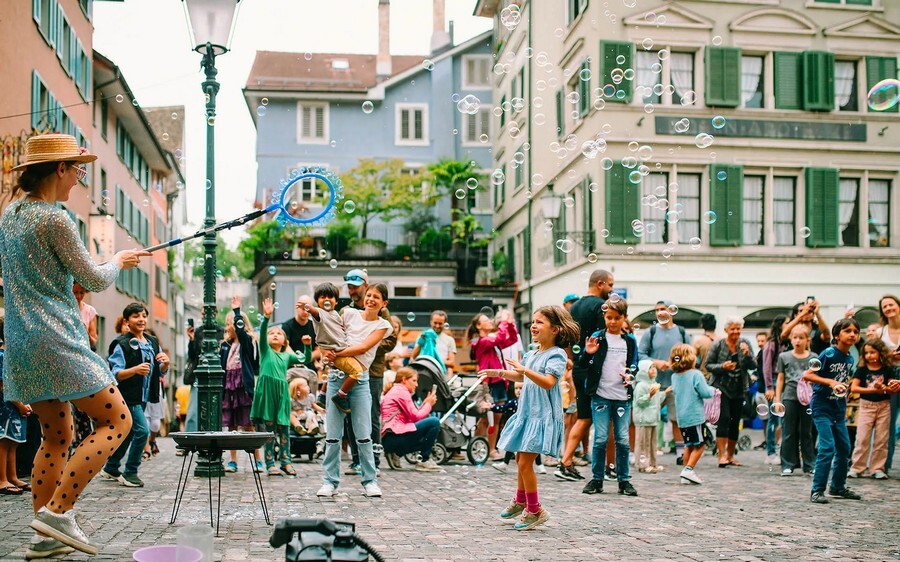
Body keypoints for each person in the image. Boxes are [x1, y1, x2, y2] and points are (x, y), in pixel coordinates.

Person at [0, 132, 150, 557]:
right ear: (60, 168)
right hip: (57, 337)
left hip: (22, 341)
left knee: (56, 435)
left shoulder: (11, 215)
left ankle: (43, 539)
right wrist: (119, 260)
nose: (81, 176)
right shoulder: (55, 218)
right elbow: (95, 278)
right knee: (117, 420)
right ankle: (58, 513)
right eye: (78, 168)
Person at [481, 305, 578, 531]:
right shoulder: (532, 353)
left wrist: (524, 371)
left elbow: (547, 382)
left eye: (540, 322)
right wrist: (500, 373)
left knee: (525, 462)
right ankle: (521, 500)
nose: (534, 325)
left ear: (555, 329)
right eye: (533, 321)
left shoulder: (557, 354)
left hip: (542, 416)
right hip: (527, 413)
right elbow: (520, 375)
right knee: (519, 459)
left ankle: (534, 510)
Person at [318, 283, 393, 498]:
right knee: (332, 434)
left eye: (376, 297)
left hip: (360, 380)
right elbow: (332, 332)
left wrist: (336, 354)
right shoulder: (349, 313)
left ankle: (370, 481)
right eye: (368, 295)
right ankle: (329, 481)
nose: (370, 299)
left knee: (364, 434)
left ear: (383, 303)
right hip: (336, 377)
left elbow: (363, 348)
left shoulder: (383, 325)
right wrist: (328, 352)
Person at [100, 303, 169, 488]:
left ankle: (112, 467)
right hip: (127, 396)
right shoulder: (121, 344)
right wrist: (135, 370)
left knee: (130, 432)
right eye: (136, 316)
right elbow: (115, 374)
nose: (141, 320)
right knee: (142, 431)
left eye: (144, 316)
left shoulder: (153, 342)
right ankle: (130, 472)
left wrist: (166, 363)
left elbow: (161, 371)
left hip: (146, 395)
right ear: (126, 321)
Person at [555, 269, 614, 481]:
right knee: (604, 417)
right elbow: (603, 339)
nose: (612, 289)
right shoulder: (600, 307)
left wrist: (571, 360)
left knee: (584, 417)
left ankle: (566, 461)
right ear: (600, 284)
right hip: (596, 369)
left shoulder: (575, 306)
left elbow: (567, 340)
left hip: (579, 367)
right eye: (610, 285)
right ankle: (610, 467)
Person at [577, 298, 638, 497]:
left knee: (623, 440)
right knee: (600, 439)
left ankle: (624, 480)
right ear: (604, 316)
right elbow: (583, 363)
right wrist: (587, 353)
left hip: (622, 396)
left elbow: (634, 365)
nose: (612, 322)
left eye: (617, 318)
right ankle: (597, 479)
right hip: (600, 395)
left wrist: (631, 376)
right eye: (609, 317)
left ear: (624, 318)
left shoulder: (629, 340)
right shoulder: (597, 337)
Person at [342, 269, 397, 475]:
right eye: (349, 286)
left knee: (371, 415)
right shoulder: (347, 311)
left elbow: (391, 341)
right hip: (348, 369)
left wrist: (368, 344)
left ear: (365, 285)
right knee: (349, 414)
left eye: (356, 286)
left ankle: (373, 460)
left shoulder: (381, 311)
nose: (352, 290)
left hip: (372, 370)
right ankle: (356, 460)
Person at [804, 317, 863, 504]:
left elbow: (841, 380)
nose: (852, 334)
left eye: (855, 331)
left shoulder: (850, 357)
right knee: (827, 447)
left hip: (838, 408)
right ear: (837, 335)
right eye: (847, 331)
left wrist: (845, 386)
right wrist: (830, 382)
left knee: (845, 447)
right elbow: (808, 374)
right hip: (821, 406)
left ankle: (837, 486)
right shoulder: (828, 353)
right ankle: (817, 490)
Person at [250, 298, 302, 477]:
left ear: (285, 341)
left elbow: (304, 359)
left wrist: (309, 345)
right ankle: (270, 462)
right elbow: (263, 330)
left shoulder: (287, 356)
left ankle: (286, 462)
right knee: (269, 431)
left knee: (284, 428)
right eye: (271, 333)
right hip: (267, 393)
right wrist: (266, 318)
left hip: (281, 395)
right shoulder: (265, 351)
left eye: (279, 333)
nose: (274, 334)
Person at [638, 300, 691, 462]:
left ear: (671, 311)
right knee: (649, 418)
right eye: (657, 310)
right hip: (654, 384)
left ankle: (680, 454)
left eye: (663, 309)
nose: (660, 312)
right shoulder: (651, 332)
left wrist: (678, 365)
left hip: (676, 383)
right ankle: (645, 452)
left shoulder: (681, 332)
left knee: (677, 419)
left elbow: (690, 355)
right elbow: (640, 354)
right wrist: (656, 362)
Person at [466, 308, 520, 460]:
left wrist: (510, 325)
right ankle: (477, 447)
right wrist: (503, 320)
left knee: (497, 417)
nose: (490, 321)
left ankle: (491, 449)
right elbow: (499, 339)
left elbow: (512, 340)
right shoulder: (481, 342)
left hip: (499, 382)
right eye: (486, 320)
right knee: (484, 418)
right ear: (478, 326)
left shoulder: (491, 341)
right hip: (488, 383)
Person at [306, 283, 367, 413]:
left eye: (330, 297)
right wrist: (309, 308)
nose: (327, 300)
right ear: (317, 301)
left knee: (335, 371)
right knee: (357, 372)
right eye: (323, 297)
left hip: (338, 350)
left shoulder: (335, 314)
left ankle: (322, 395)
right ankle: (341, 396)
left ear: (336, 301)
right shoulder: (321, 313)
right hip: (336, 352)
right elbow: (316, 313)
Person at [706, 316, 756, 467]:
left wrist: (747, 355)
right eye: (732, 329)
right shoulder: (718, 344)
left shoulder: (745, 344)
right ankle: (721, 455)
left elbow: (753, 365)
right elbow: (708, 365)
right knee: (724, 418)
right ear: (726, 330)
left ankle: (730, 455)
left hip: (739, 388)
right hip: (721, 387)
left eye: (738, 329)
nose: (735, 332)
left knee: (735, 421)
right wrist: (723, 367)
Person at [221, 296, 262, 474]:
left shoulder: (247, 342)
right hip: (229, 386)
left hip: (243, 385)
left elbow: (242, 334)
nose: (228, 327)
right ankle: (233, 461)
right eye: (228, 323)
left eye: (232, 323)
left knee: (248, 424)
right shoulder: (225, 345)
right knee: (231, 425)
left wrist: (237, 311)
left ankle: (258, 460)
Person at [848, 338, 896, 479]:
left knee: (881, 438)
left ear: (880, 353)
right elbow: (855, 388)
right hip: (866, 406)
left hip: (884, 406)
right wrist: (873, 390)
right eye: (867, 353)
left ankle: (877, 468)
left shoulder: (887, 369)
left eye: (873, 352)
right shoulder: (862, 369)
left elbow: (891, 390)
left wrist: (884, 389)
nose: (869, 355)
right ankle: (857, 467)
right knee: (862, 437)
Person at [669, 344, 715, 484]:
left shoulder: (674, 376)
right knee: (701, 444)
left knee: (688, 444)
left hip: (682, 418)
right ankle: (688, 470)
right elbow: (705, 393)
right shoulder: (696, 374)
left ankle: (685, 475)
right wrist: (713, 390)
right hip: (695, 417)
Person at [381, 367, 441, 472]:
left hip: (391, 438)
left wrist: (424, 404)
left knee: (428, 433)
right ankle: (424, 460)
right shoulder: (401, 391)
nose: (416, 384)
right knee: (434, 422)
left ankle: (396, 453)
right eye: (414, 380)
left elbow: (413, 417)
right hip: (393, 438)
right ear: (404, 380)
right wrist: (428, 405)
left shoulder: (397, 390)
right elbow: (415, 417)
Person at [775, 325, 816, 476]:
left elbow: (817, 378)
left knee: (807, 432)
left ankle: (809, 464)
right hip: (790, 397)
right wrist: (778, 399)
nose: (798, 341)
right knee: (788, 432)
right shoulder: (784, 357)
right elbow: (780, 379)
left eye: (801, 338)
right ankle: (787, 464)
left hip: (807, 398)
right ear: (791, 339)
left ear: (807, 340)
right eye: (795, 337)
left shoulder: (814, 357)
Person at [0, 321, 34, 496]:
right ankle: (1, 479)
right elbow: (3, 385)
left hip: (14, 405)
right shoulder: (2, 355)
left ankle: (12, 476)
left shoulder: (12, 356)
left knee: (12, 442)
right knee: (3, 442)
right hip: (6, 406)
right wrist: (19, 404)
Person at [491, 383, 545, 474]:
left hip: (528, 428)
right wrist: (491, 407)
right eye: (516, 388)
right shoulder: (514, 401)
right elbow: (503, 408)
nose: (518, 391)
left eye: (521, 388)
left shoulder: (531, 402)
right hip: (517, 428)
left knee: (533, 445)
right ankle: (505, 463)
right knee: (511, 443)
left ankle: (539, 464)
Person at [876, 295, 900, 474]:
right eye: (885, 306)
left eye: (891, 304)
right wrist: (889, 357)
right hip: (889, 377)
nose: (888, 308)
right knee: (887, 423)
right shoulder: (880, 332)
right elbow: (874, 356)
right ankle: (884, 464)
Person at [760, 316, 789, 461]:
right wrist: (769, 387)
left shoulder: (789, 342)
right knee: (774, 418)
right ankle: (771, 452)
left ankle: (783, 450)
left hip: (788, 381)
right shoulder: (772, 344)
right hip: (775, 381)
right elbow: (766, 367)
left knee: (784, 418)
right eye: (787, 323)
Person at [633, 359, 668, 473]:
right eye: (650, 368)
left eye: (654, 367)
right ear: (643, 371)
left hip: (653, 419)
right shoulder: (641, 386)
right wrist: (650, 395)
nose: (654, 370)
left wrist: (664, 393)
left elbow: (656, 400)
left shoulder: (653, 384)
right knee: (643, 443)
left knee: (653, 443)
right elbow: (639, 402)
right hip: (643, 419)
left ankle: (653, 463)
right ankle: (642, 464)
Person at [411, 311, 457, 377]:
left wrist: (433, 361)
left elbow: (452, 363)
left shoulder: (449, 340)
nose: (437, 326)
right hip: (423, 373)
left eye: (440, 323)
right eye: (435, 323)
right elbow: (413, 357)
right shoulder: (423, 336)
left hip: (441, 375)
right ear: (431, 322)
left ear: (445, 323)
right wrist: (421, 342)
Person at [282, 295, 319, 371]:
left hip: (310, 367)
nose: (305, 312)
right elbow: (286, 346)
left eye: (308, 309)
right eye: (303, 309)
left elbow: (318, 349)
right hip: (292, 366)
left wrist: (306, 359)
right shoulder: (287, 326)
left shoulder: (314, 326)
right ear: (297, 307)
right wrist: (297, 360)